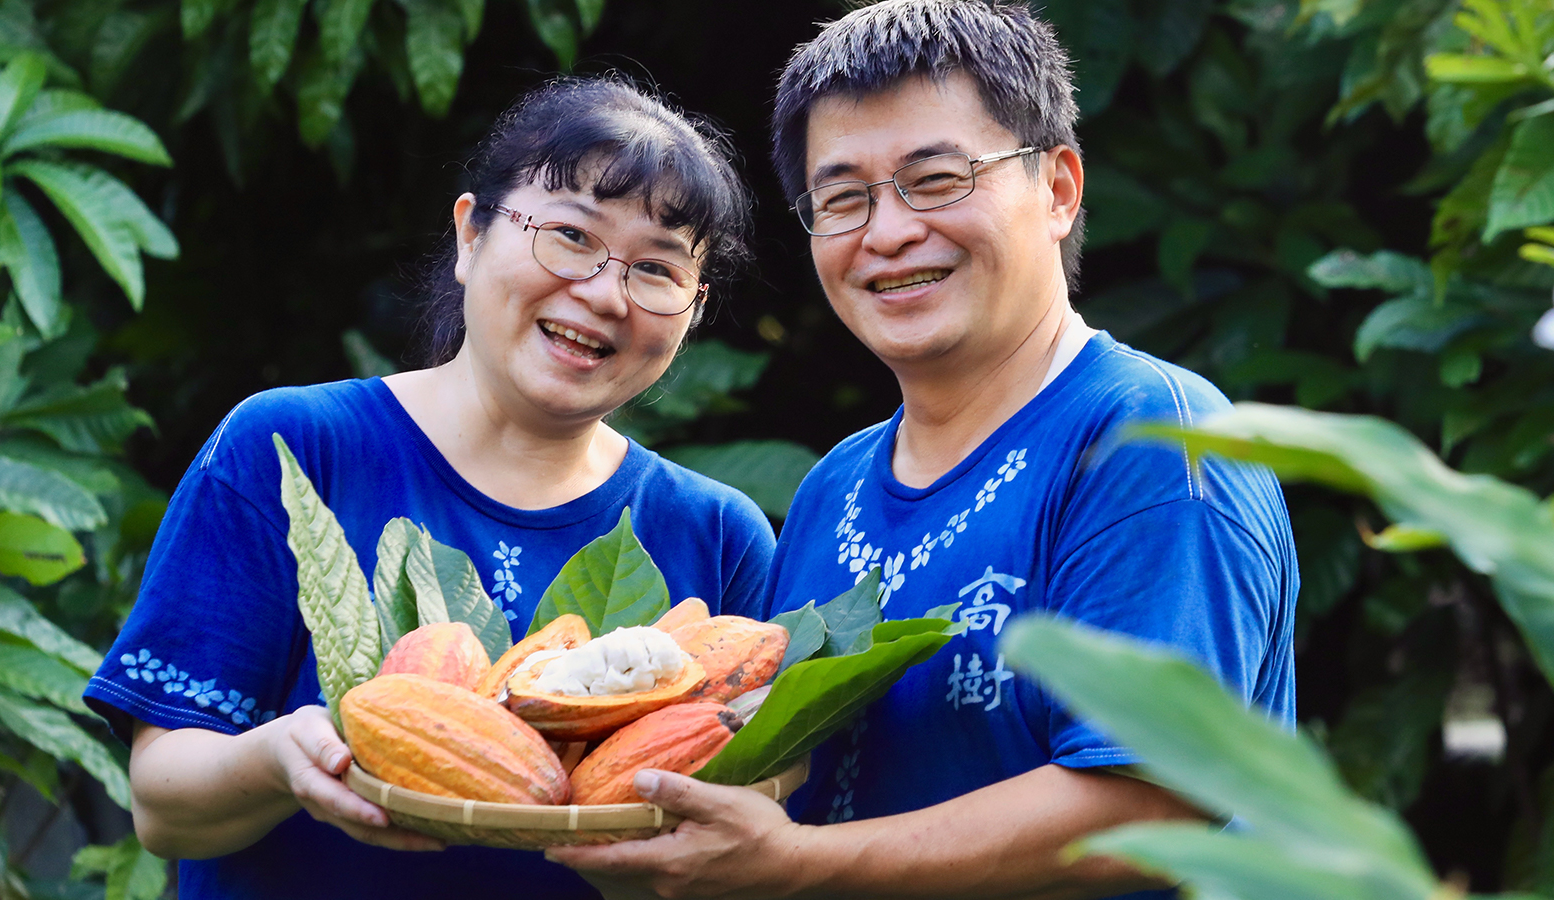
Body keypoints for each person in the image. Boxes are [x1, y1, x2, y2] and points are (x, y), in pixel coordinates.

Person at [548, 2, 1299, 898]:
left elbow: (1155, 804)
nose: (889, 231)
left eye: (937, 179)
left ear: (1058, 189)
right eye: (842, 199)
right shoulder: (834, 486)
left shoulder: (1154, 442)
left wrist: (795, 868)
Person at [82, 77, 775, 900]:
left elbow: (748, 812)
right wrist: (277, 761)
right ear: (470, 234)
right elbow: (164, 806)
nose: (601, 293)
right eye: (570, 235)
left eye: (656, 270)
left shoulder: (721, 534)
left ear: (691, 311)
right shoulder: (294, 448)